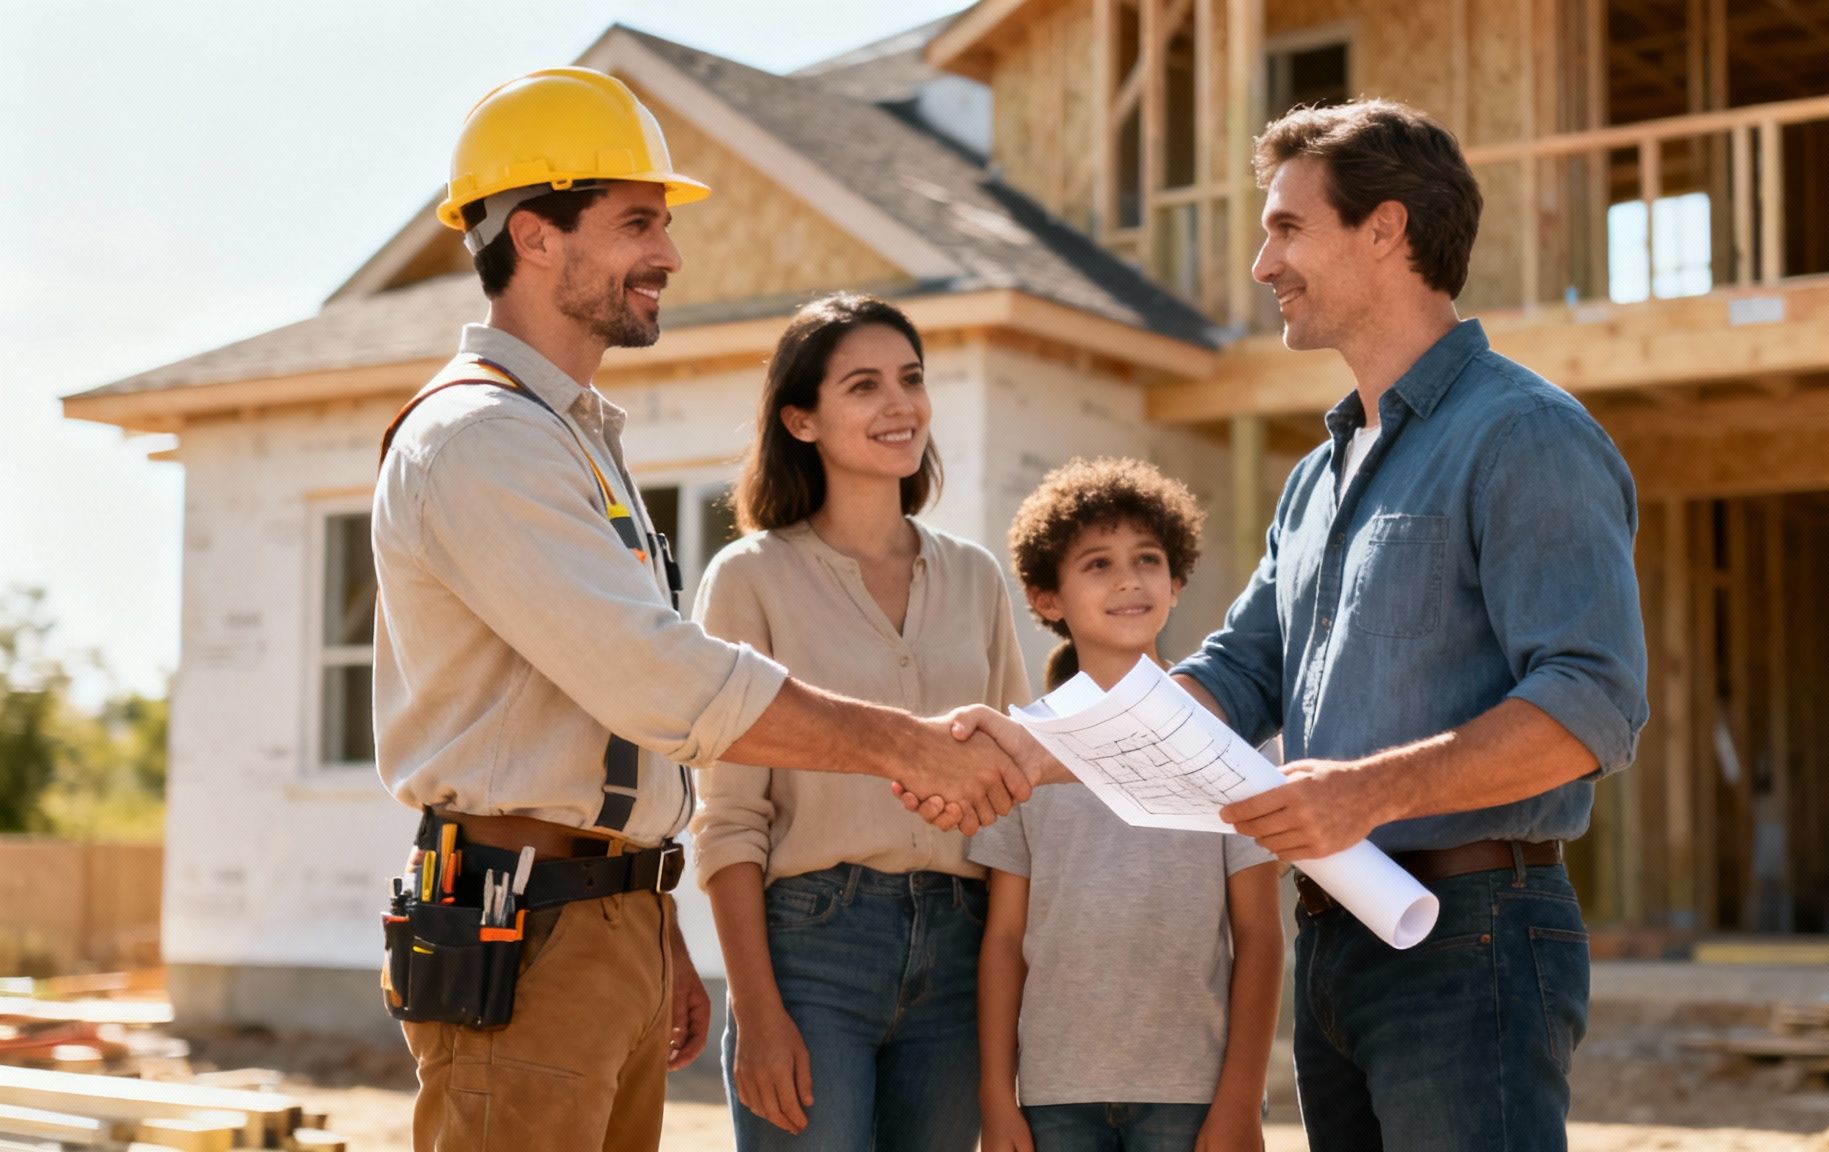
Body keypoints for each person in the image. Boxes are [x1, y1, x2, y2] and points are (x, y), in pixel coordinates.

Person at [932, 98, 1650, 1151]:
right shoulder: (1317, 478)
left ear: (1385, 229)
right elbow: (1233, 675)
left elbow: (1591, 702)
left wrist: (1365, 792)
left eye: (1285, 228)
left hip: (1470, 938)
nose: (1263, 263)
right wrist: (1031, 751)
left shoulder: (1524, 434)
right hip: (1335, 949)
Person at [374, 68, 1030, 1152]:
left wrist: (651, 913)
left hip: (596, 913)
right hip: (522, 922)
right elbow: (660, 679)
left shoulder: (570, 437)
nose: (669, 256)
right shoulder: (480, 441)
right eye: (638, 224)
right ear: (534, 236)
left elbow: (609, 730)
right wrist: (903, 746)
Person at [689, 292, 1033, 1151]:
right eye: (864, 386)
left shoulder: (977, 578)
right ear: (800, 420)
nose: (899, 405)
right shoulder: (749, 580)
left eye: (911, 379)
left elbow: (1018, 784)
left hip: (963, 946)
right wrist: (758, 1014)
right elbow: (728, 819)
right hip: (811, 951)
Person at [972, 458, 1283, 1152]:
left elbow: (1260, 936)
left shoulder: (1234, 742)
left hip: (1192, 1096)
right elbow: (1002, 940)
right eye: (1097, 564)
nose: (1128, 579)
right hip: (1055, 1095)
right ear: (1047, 597)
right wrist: (997, 1096)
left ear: (1176, 581)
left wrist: (1240, 1100)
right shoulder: (1022, 748)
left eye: (1148, 559)